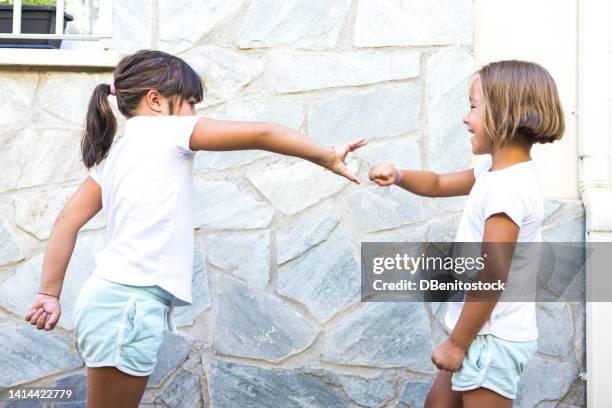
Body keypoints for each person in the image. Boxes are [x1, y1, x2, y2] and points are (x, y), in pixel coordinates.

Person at [24, 49, 367, 408]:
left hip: (114, 300)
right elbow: (263, 132)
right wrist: (325, 155)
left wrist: (49, 292)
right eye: (189, 102)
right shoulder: (169, 130)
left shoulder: (115, 154)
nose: (194, 113)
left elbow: (67, 220)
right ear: (155, 100)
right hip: (128, 304)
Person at [369, 60, 564, 407]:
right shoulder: (493, 172)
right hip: (477, 330)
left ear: (506, 114)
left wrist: (457, 344)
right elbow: (439, 183)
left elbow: (492, 274)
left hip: (490, 338)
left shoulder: (508, 189)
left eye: (474, 107)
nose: (465, 117)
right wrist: (398, 175)